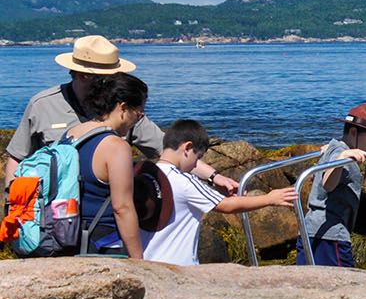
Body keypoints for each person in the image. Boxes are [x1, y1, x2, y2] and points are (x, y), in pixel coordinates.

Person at [5, 34, 236, 193]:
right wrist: (13, 202)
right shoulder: (42, 105)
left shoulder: (123, 109)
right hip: (57, 216)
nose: (116, 80)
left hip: (104, 218)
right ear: (84, 75)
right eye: (110, 75)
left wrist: (215, 176)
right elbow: (17, 156)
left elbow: (169, 151)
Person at [141, 119, 298, 267]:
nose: (196, 164)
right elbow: (226, 205)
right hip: (180, 263)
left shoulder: (146, 174)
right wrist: (269, 199)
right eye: (198, 158)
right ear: (188, 148)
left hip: (149, 259)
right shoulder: (184, 180)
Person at [64, 72, 149, 259]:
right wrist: (139, 260)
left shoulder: (71, 133)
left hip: (65, 235)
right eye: (139, 114)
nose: (137, 120)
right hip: (101, 242)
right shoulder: (116, 147)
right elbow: (122, 207)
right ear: (123, 107)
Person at [297, 103, 366, 267]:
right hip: (330, 235)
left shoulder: (335, 147)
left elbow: (333, 152)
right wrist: (341, 159)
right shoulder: (342, 154)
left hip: (313, 230)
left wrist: (335, 152)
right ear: (353, 132)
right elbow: (327, 183)